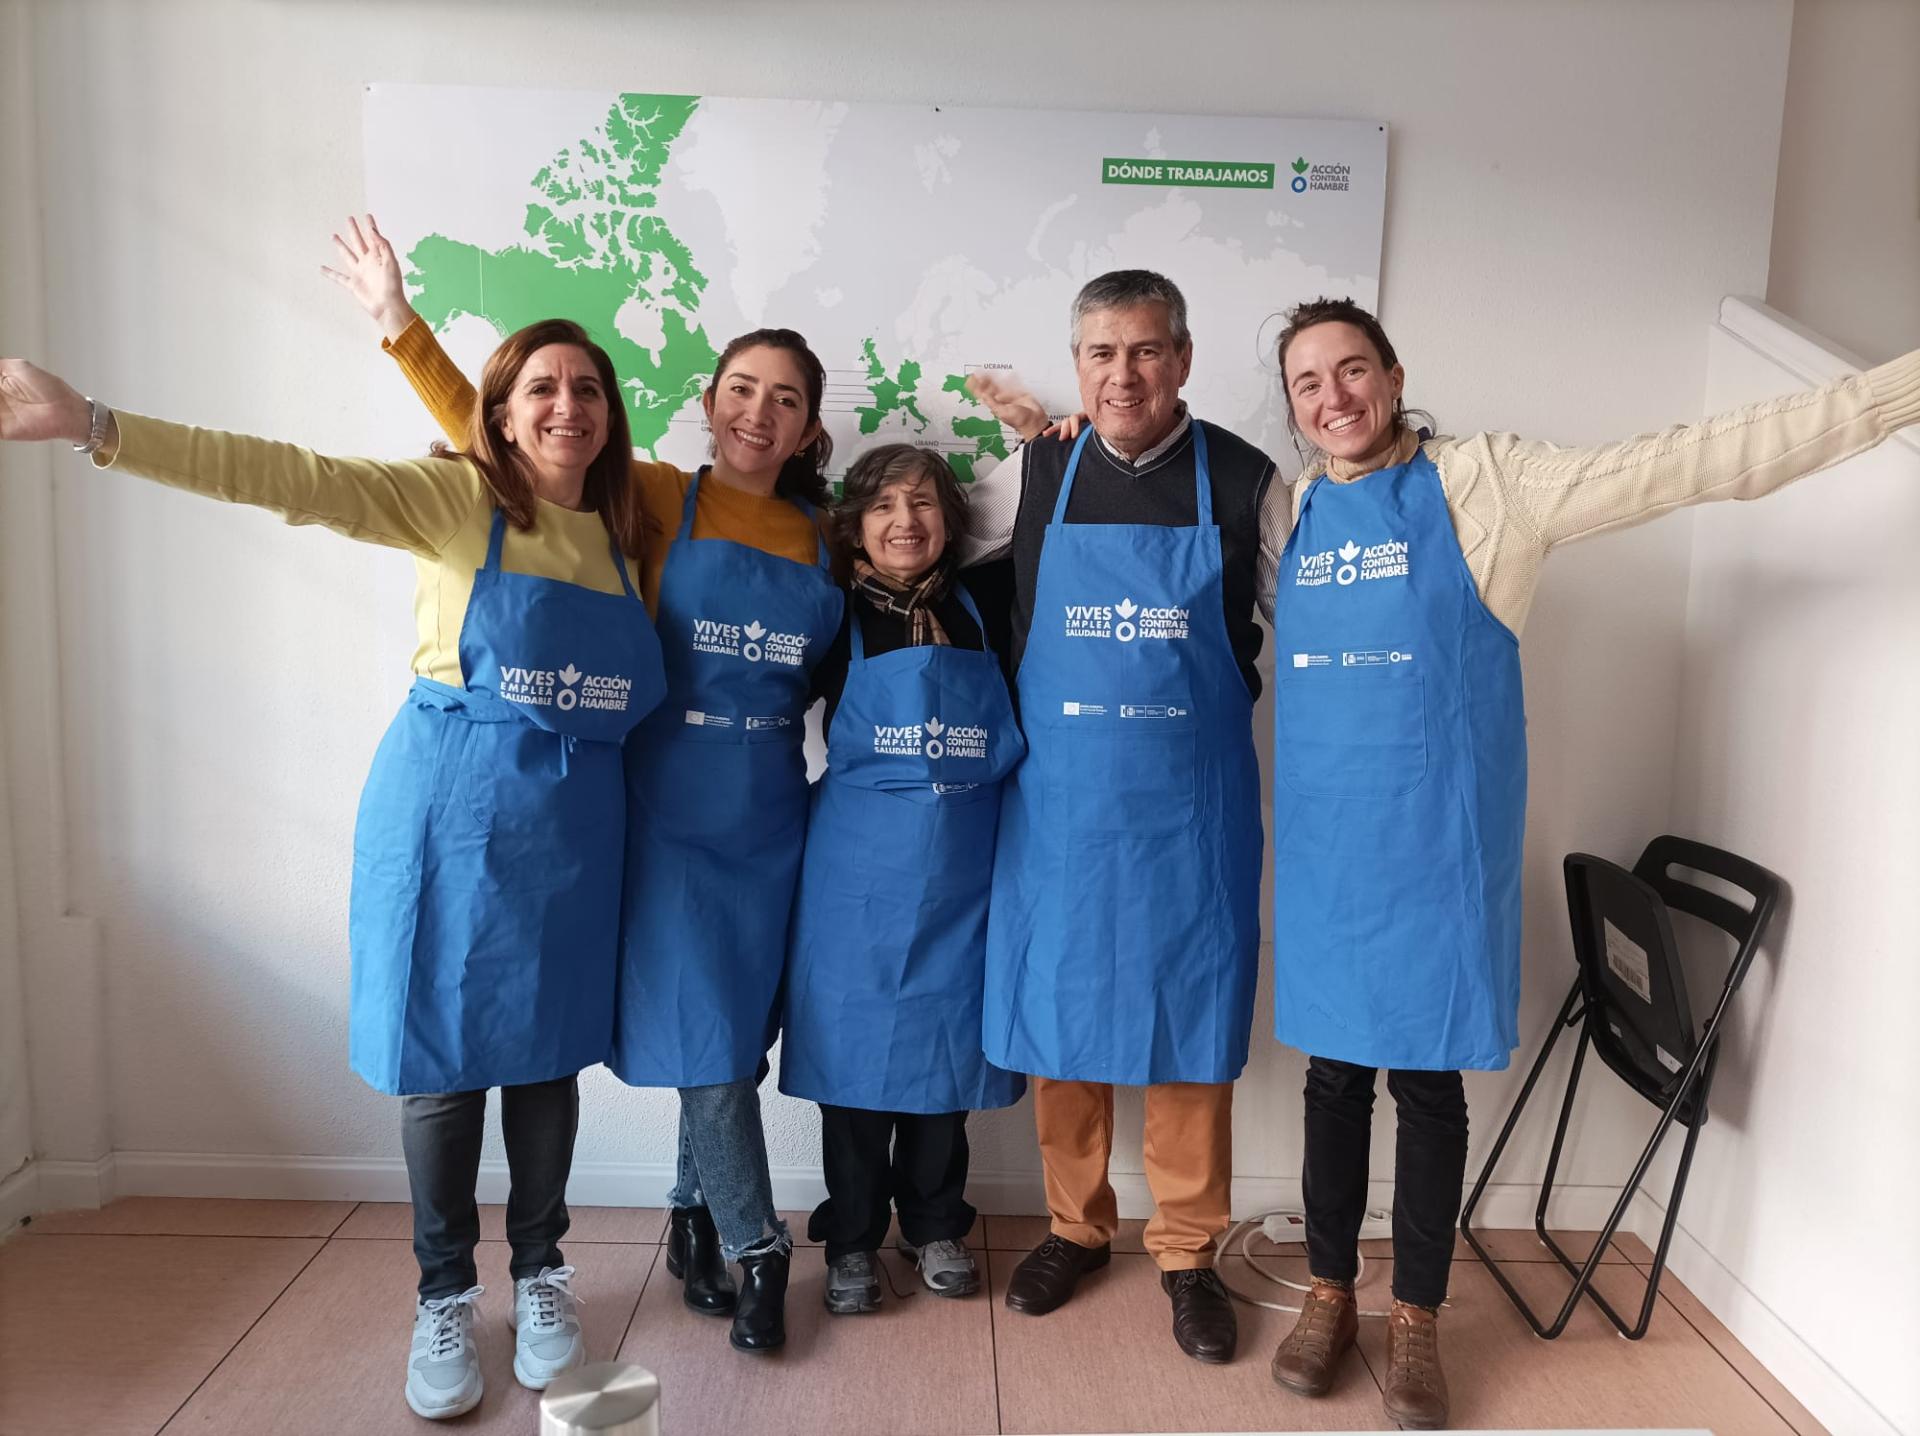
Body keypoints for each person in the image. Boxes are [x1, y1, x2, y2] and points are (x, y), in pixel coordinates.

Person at [1261, 296, 1920, 1431]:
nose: (1334, 397)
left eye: (1352, 369)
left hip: (1433, 855)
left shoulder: (1488, 486)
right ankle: (1329, 1288)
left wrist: (1896, 388)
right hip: (1327, 853)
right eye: (1309, 383)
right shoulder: (1300, 505)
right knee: (1330, 1080)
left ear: (1395, 371)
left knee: (1425, 1083)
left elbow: (1699, 461)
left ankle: (1414, 1314)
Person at [0, 321, 666, 1422]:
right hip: (450, 815)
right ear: (498, 413)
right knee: (443, 1064)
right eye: (539, 387)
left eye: (587, 387)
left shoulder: (626, 531)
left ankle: (542, 1272)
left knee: (549, 1059)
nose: (566, 405)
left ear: (610, 412)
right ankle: (444, 1289)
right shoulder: (456, 501)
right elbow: (290, 478)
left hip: (575, 831)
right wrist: (95, 426)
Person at [328, 217, 843, 1355]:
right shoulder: (652, 494)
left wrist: (1041, 445)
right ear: (710, 404)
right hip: (652, 802)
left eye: (788, 399)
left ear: (810, 428)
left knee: (720, 1030)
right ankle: (756, 1243)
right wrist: (400, 330)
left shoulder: (830, 538)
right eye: (743, 390)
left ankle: (692, 1218)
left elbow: (929, 573)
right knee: (700, 1031)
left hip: (769, 807)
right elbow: (510, 437)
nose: (760, 412)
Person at [961, 270, 1278, 1365]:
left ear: (1183, 358)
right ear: (1079, 363)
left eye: (1145, 351)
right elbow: (934, 559)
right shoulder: (1037, 468)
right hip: (1059, 803)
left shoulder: (1244, 479)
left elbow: (1303, 621)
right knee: (1061, 1015)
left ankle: (1188, 1249)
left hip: (1192, 807)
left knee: (1190, 1023)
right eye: (1102, 353)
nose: (1123, 373)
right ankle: (1073, 1224)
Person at [780, 443, 1026, 1314]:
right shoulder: (830, 615)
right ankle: (850, 1240)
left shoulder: (987, 605)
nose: (905, 522)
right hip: (854, 884)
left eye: (922, 504)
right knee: (851, 1075)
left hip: (965, 876)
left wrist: (1043, 433)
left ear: (950, 521)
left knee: (943, 1070)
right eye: (883, 506)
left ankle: (935, 1226)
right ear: (855, 527)